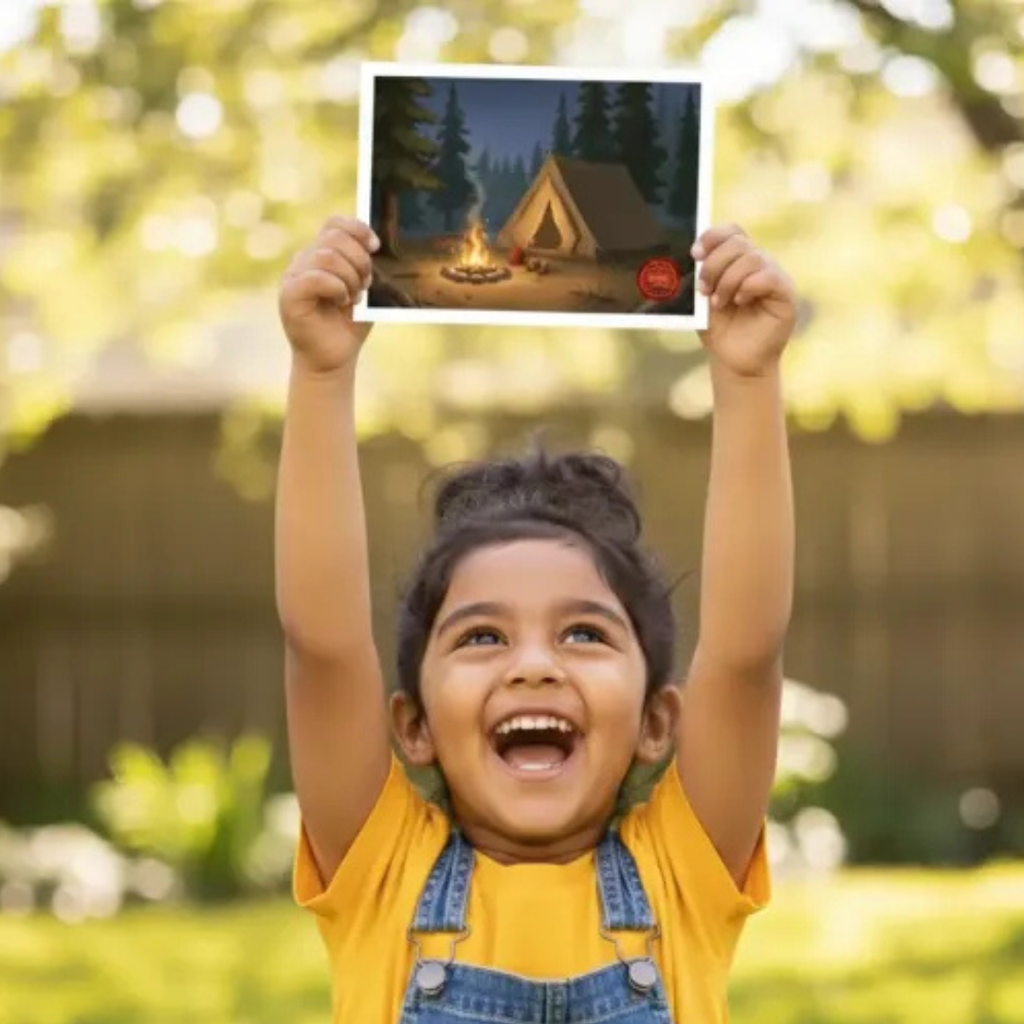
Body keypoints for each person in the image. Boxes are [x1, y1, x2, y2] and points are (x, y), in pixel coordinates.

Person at [276, 215, 797, 1024]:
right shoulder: (383, 870)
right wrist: (319, 373)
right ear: (411, 727)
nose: (534, 665)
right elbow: (325, 647)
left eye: (583, 633)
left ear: (660, 722)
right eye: (482, 636)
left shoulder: (682, 874)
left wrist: (749, 379)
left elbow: (745, 656)